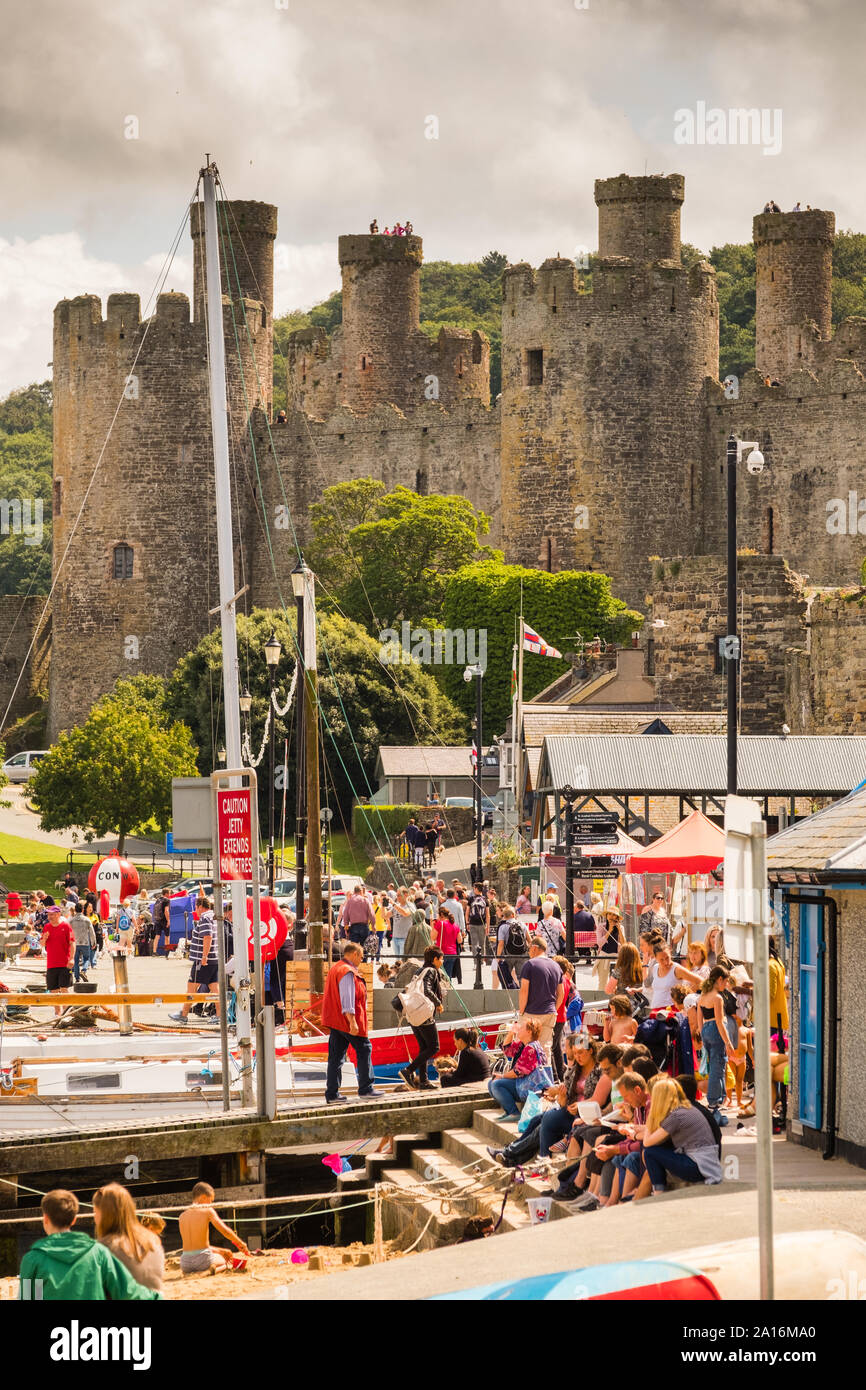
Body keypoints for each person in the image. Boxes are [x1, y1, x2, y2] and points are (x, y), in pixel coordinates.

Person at [19, 1190, 161, 1300]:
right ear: (74, 1220)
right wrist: (157, 1297)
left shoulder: (32, 1260)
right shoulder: (98, 1252)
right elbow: (126, 1290)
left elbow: (28, 1297)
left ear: (45, 1219)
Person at [640, 1078, 723, 1194]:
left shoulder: (676, 1116)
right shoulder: (685, 1108)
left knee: (650, 1152)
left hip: (699, 1167)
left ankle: (658, 1192)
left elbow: (647, 1142)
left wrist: (652, 1114)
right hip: (707, 1164)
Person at [323, 942, 381, 1103]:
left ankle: (332, 1093)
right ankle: (366, 1088)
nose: (361, 961)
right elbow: (347, 999)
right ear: (354, 954)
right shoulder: (347, 971)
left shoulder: (336, 968)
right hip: (346, 1021)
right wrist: (352, 1022)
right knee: (364, 1048)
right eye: (361, 957)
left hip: (336, 1021)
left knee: (336, 1057)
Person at [93, 1183, 165, 1293]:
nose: (94, 1217)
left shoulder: (103, 1249)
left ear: (104, 1214)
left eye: (95, 1212)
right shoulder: (154, 1242)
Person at [399, 945, 445, 1090]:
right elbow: (427, 990)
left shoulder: (420, 970)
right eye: (441, 958)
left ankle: (424, 1081)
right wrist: (438, 1004)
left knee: (424, 1048)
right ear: (435, 959)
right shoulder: (431, 970)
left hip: (413, 1014)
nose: (443, 961)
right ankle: (408, 1070)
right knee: (434, 1047)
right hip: (424, 1014)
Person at [178, 1182, 250, 1274]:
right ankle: (208, 1271)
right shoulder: (207, 1211)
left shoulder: (182, 1216)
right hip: (203, 1261)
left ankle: (199, 1271)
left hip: (185, 1264)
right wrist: (240, 1243)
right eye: (210, 1200)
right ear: (203, 1197)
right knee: (226, 1262)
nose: (211, 1204)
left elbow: (195, 1246)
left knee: (217, 1255)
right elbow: (225, 1231)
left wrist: (220, 1250)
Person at [487, 1018, 552, 1119]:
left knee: (496, 1084)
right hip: (523, 1083)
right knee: (491, 1083)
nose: (519, 1029)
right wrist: (511, 1032)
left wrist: (502, 1076)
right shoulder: (523, 1044)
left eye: (522, 1027)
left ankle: (514, 1113)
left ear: (529, 1031)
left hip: (531, 1087)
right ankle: (509, 1111)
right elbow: (507, 1050)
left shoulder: (531, 1048)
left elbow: (518, 1072)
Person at [699, 965, 738, 1126]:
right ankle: (714, 1103)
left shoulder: (702, 996)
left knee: (714, 1066)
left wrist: (703, 1037)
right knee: (718, 1067)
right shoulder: (718, 998)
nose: (726, 985)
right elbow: (720, 1023)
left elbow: (700, 1021)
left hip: (706, 1031)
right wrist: (728, 1043)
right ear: (719, 979)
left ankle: (717, 1101)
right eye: (725, 981)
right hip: (716, 1030)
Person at [170, 902, 220, 1023]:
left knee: (192, 986)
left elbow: (207, 936)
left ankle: (183, 1014)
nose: (196, 911)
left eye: (196, 908)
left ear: (201, 907)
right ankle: (219, 1015)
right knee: (214, 988)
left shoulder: (205, 918)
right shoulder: (213, 916)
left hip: (203, 960)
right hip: (214, 959)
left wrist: (204, 956)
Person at [517, 936, 564, 1056]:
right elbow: (561, 993)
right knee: (545, 1048)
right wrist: (554, 1009)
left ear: (534, 948)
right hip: (549, 1012)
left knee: (526, 1047)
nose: (528, 952)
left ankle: (528, 1074)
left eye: (529, 949)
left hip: (531, 1012)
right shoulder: (556, 966)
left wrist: (521, 1012)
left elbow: (524, 991)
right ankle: (544, 1073)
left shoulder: (529, 965)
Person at [41, 905, 74, 1016]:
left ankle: (66, 1013)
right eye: (48, 914)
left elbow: (72, 943)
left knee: (64, 988)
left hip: (64, 963)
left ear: (58, 914)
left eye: (52, 914)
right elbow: (42, 944)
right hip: (51, 963)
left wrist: (72, 958)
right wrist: (44, 938)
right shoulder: (46, 927)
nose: (49, 916)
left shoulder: (66, 926)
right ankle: (57, 1013)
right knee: (53, 990)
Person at [496, 905, 529, 988]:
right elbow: (529, 940)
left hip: (509, 955)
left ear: (504, 916)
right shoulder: (522, 925)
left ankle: (508, 993)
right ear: (513, 915)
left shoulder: (503, 927)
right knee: (522, 977)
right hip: (522, 954)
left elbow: (501, 944)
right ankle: (523, 995)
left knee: (506, 977)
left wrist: (498, 957)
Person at [595, 905, 625, 988]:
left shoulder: (621, 927)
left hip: (616, 957)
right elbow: (599, 943)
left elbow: (624, 944)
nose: (611, 917)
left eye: (613, 914)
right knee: (602, 982)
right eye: (609, 914)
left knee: (616, 982)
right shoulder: (601, 927)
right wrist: (609, 931)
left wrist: (619, 930)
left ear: (617, 917)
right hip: (604, 956)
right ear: (606, 915)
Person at [69, 903, 97, 982]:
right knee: (86, 958)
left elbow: (68, 932)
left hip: (75, 943)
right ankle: (84, 970)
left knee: (76, 960)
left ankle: (77, 978)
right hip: (85, 942)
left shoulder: (71, 921)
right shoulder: (87, 920)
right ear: (82, 910)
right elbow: (92, 932)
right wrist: (93, 942)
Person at [433, 908, 461, 978]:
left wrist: (433, 926)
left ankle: (442, 988)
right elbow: (460, 940)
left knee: (440, 976)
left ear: (441, 914)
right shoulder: (455, 925)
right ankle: (449, 988)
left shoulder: (440, 924)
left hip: (442, 952)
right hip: (452, 953)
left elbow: (433, 937)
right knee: (448, 976)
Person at [391, 887, 414, 957]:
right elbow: (384, 916)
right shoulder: (396, 906)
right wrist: (383, 906)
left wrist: (394, 904)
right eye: (396, 895)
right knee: (397, 961)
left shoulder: (410, 905)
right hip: (395, 937)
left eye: (399, 895)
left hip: (405, 938)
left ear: (406, 895)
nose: (397, 897)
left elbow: (405, 913)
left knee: (403, 961)